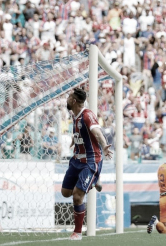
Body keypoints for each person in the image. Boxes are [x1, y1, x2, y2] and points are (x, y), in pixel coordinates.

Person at [61, 88, 112, 240]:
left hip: (90, 161)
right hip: (76, 160)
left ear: (74, 101)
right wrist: (74, 139)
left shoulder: (87, 115)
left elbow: (96, 132)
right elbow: (81, 134)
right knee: (65, 193)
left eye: (69, 97)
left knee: (77, 196)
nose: (67, 99)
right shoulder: (74, 115)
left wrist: (104, 145)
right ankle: (94, 180)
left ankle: (77, 232)